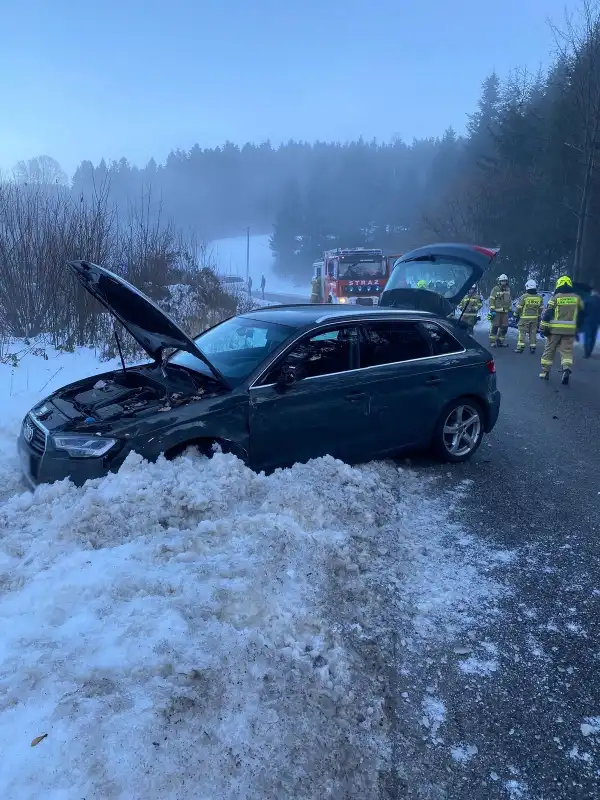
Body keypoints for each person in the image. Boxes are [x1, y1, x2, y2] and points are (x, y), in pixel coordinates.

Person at [539, 275, 584, 385]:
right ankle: (566, 368)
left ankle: (545, 372)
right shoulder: (577, 298)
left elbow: (548, 314)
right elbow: (582, 314)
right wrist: (578, 327)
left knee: (549, 350)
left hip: (554, 331)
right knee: (566, 351)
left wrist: (543, 328)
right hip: (569, 331)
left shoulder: (555, 297)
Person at [514, 279, 543, 354]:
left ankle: (520, 347)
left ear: (527, 287)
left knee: (522, 332)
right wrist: (538, 316)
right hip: (534, 318)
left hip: (524, 318)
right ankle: (533, 347)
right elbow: (541, 308)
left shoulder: (524, 296)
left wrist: (515, 314)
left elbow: (519, 307)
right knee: (533, 333)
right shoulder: (539, 297)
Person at [488, 274, 511, 347]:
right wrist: (492, 309)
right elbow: (491, 299)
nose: (503, 282)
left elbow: (509, 300)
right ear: (499, 281)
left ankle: (500, 341)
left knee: (504, 327)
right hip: (496, 311)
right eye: (502, 281)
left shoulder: (508, 289)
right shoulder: (495, 289)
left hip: (505, 312)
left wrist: (509, 308)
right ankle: (492, 342)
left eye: (505, 281)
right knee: (495, 326)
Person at [583, 289, 600, 358]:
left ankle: (586, 353)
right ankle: (590, 350)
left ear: (592, 293)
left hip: (588, 320)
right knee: (593, 337)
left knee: (586, 337)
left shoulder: (587, 299)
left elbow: (583, 310)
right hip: (596, 321)